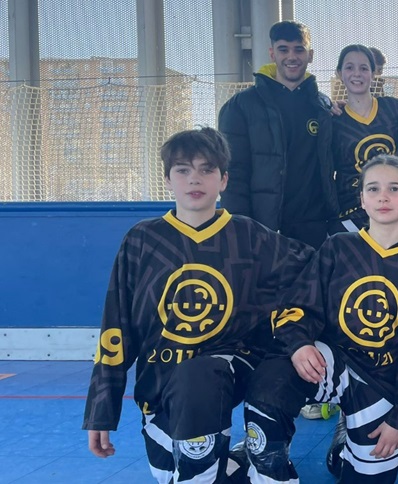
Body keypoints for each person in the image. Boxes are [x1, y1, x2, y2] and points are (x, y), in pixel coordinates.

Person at [83, 127, 314, 483]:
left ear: (223, 180)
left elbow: (319, 269)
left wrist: (298, 337)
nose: (195, 179)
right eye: (183, 170)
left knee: (203, 376)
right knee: (180, 473)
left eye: (207, 169)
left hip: (234, 367)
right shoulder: (143, 241)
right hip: (163, 381)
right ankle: (236, 462)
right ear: (167, 179)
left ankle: (261, 454)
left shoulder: (250, 236)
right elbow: (116, 326)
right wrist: (102, 410)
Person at [243, 155, 398, 483]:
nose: (383, 196)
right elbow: (297, 307)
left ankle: (346, 444)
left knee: (369, 471)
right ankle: (268, 472)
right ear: (362, 199)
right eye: (373, 189)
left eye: (394, 189)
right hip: (331, 365)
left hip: (382, 381)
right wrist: (299, 344)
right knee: (271, 384)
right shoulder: (337, 248)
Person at [218, 20, 339, 248]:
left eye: (299, 49)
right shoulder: (241, 106)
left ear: (310, 55)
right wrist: (239, 228)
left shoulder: (323, 107)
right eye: (284, 49)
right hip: (263, 230)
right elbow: (233, 172)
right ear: (272, 54)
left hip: (313, 229)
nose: (291, 57)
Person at [329, 44, 398, 233]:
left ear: (374, 73)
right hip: (349, 214)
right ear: (339, 73)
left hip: (390, 209)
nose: (357, 74)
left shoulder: (394, 109)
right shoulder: (333, 119)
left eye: (364, 68)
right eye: (350, 67)